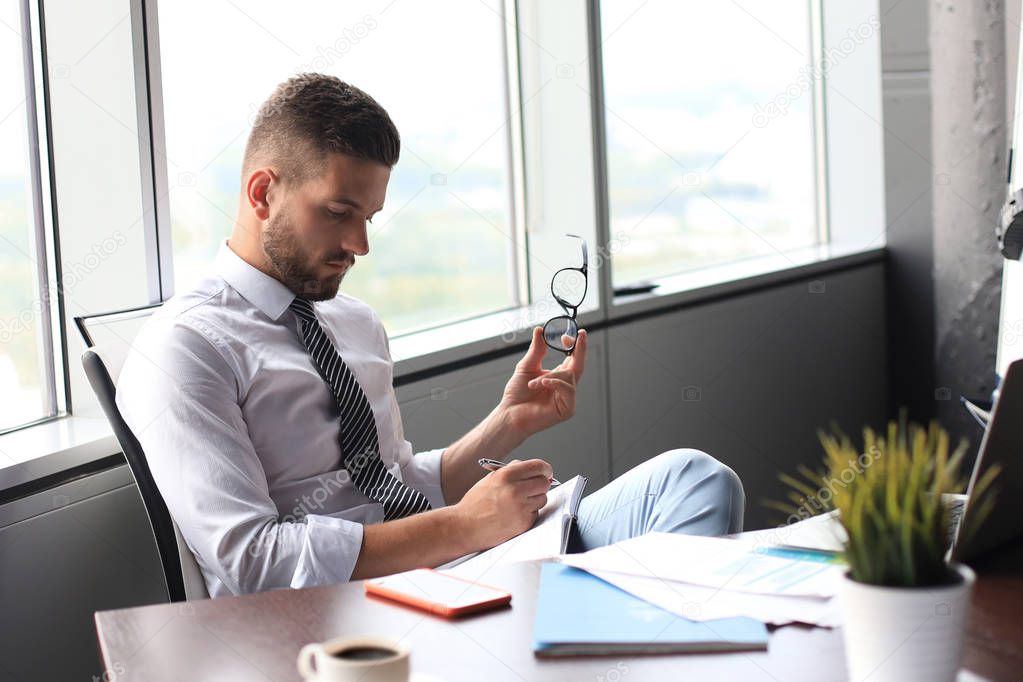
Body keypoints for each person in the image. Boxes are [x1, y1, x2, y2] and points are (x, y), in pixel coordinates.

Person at [117, 74, 744, 597]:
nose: (359, 245)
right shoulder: (187, 347)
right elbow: (252, 561)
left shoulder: (353, 322)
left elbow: (391, 482)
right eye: (339, 213)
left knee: (696, 479)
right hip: (361, 610)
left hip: (456, 565)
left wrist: (507, 423)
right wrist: (464, 528)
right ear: (262, 193)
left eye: (368, 219)